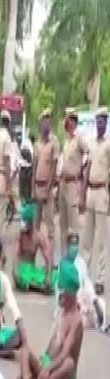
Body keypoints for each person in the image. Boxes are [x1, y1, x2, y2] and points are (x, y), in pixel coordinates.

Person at [14, 258, 83, 379]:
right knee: (25, 350)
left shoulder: (76, 320)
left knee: (69, 364)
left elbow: (65, 352)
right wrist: (42, 363)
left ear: (70, 294)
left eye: (62, 291)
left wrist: (48, 370)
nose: (59, 294)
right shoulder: (62, 310)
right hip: (48, 366)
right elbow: (52, 347)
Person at [82, 107, 110, 295]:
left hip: (102, 191)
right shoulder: (92, 144)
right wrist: (83, 193)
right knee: (87, 237)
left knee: (101, 239)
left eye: (103, 121)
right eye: (98, 120)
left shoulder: (108, 144)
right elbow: (87, 168)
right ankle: (84, 274)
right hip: (90, 190)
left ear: (106, 124)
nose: (100, 123)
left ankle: (100, 278)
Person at [56, 233, 107, 331]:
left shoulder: (81, 262)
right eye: (72, 244)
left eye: (76, 244)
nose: (74, 247)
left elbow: (87, 282)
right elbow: (59, 286)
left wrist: (94, 301)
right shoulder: (63, 263)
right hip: (68, 300)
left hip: (82, 298)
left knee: (102, 304)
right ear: (67, 245)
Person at [59, 107, 89, 254]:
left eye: (67, 118)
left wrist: (81, 174)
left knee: (73, 226)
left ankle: (74, 259)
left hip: (72, 184)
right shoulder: (66, 140)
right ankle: (64, 258)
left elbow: (88, 154)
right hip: (63, 183)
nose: (65, 121)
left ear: (72, 120)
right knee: (63, 225)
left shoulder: (79, 138)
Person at [32, 108, 59, 245]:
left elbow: (54, 169)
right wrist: (33, 189)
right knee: (35, 225)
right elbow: (34, 167)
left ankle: (51, 259)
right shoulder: (37, 144)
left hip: (48, 190)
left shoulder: (54, 143)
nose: (46, 124)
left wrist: (48, 190)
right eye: (44, 121)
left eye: (48, 120)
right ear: (41, 124)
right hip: (38, 187)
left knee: (50, 224)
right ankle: (33, 255)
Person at [14, 203, 54, 292]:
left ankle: (36, 285)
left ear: (31, 221)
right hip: (22, 270)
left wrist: (48, 276)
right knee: (22, 278)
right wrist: (15, 272)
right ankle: (36, 286)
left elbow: (48, 258)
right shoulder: (20, 236)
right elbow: (15, 256)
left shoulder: (38, 236)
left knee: (54, 276)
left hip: (32, 270)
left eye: (26, 222)